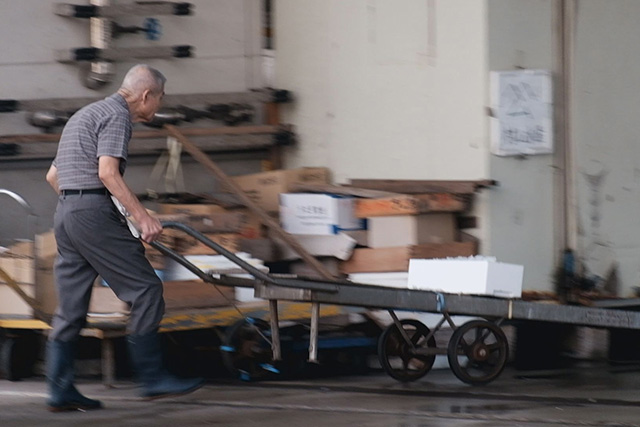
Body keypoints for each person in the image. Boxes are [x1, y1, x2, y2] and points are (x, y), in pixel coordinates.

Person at [44, 64, 204, 412]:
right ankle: (152, 378)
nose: (157, 107)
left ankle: (60, 390)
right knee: (146, 289)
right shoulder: (118, 115)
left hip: (66, 212)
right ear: (146, 95)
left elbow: (52, 176)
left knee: (70, 308)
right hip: (90, 211)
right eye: (159, 99)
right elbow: (106, 172)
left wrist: (77, 210)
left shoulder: (85, 114)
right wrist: (141, 216)